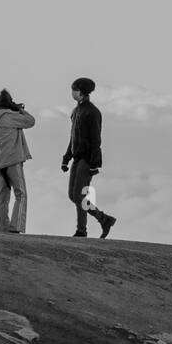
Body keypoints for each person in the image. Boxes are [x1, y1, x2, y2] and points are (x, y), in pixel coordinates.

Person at [61, 77, 116, 238]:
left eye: (74, 90)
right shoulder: (76, 111)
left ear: (82, 92)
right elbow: (73, 137)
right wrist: (66, 157)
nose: (72, 93)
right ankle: (104, 219)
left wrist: (94, 163)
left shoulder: (92, 112)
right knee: (73, 196)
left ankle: (82, 230)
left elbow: (96, 139)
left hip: (87, 159)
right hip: (77, 158)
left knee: (78, 195)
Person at [0, 88, 35, 233]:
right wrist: (19, 110)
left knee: (3, 195)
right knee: (21, 194)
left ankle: (3, 227)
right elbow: (31, 121)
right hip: (13, 159)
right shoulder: (10, 116)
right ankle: (16, 226)